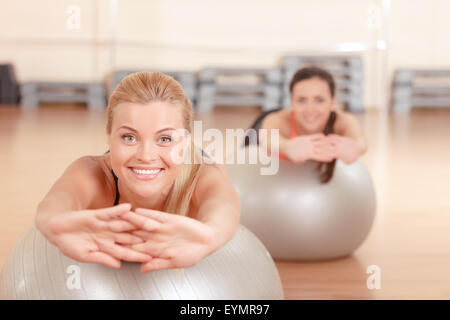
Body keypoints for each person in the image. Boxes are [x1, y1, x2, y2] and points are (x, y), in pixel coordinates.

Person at [35, 72, 241, 273]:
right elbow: (62, 197)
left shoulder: (202, 175)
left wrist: (212, 234)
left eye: (165, 138)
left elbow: (223, 205)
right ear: (108, 137)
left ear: (186, 141)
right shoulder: (94, 172)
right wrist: (52, 222)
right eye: (129, 137)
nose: (146, 155)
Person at [244, 66, 367, 182]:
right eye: (301, 100)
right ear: (292, 102)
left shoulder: (343, 121)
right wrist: (287, 146)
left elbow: (361, 142)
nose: (310, 109)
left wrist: (355, 148)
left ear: (333, 102)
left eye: (319, 100)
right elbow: (267, 139)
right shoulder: (277, 120)